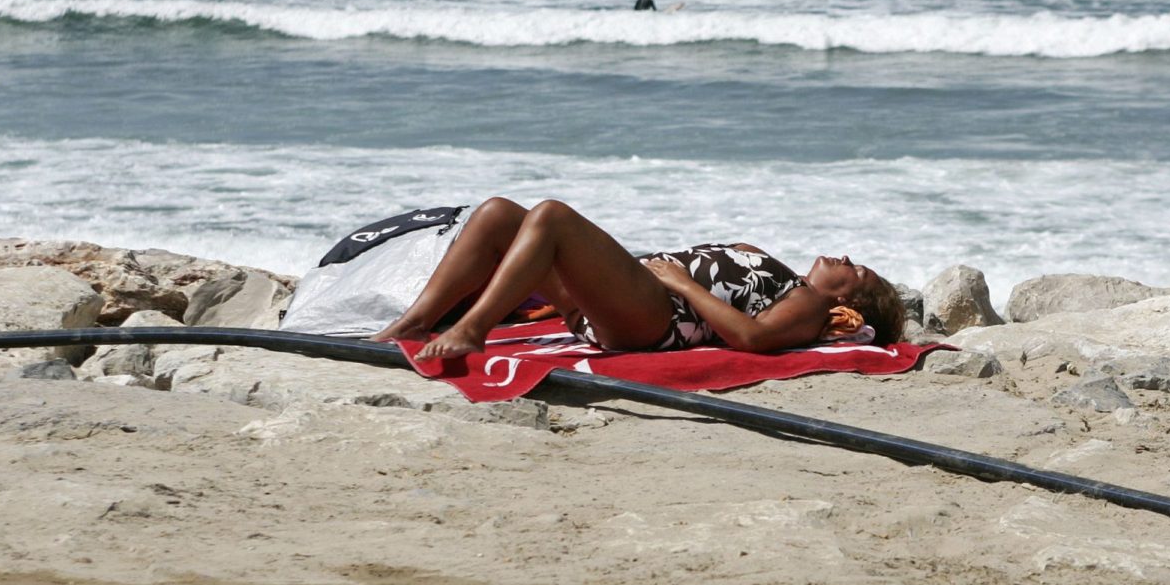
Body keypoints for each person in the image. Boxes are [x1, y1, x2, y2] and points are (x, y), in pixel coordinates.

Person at [369, 196, 905, 362]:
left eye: (855, 269)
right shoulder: (778, 271)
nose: (843, 257)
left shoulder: (807, 304)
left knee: (552, 215)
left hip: (657, 318)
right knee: (500, 214)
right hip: (626, 301)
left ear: (851, 303)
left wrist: (682, 286)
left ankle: (473, 328)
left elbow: (754, 339)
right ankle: (414, 323)